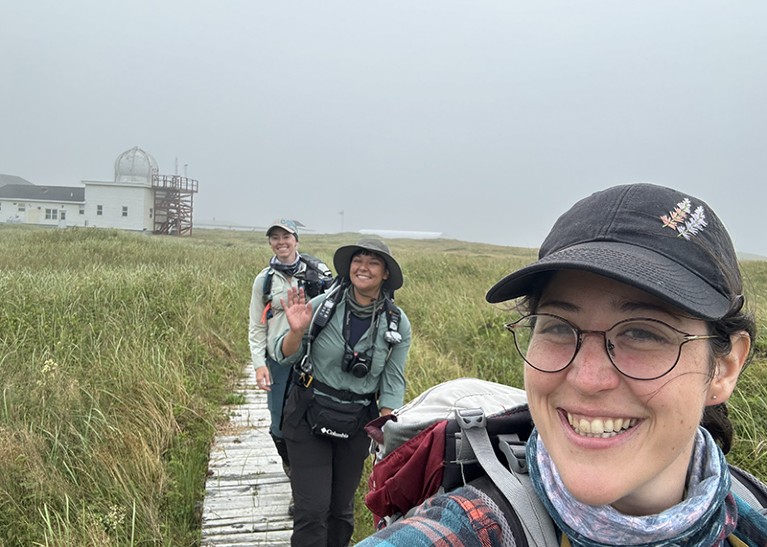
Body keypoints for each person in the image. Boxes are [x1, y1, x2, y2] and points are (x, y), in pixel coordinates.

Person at [356, 183, 767, 546]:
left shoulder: (754, 508)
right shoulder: (473, 529)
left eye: (642, 333)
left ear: (724, 367)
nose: (588, 378)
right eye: (557, 327)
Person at [275, 238, 412, 547]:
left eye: (373, 262)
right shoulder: (321, 305)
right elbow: (284, 355)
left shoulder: (397, 323)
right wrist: (296, 332)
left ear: (386, 273)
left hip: (356, 423)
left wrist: (388, 437)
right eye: (358, 260)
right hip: (309, 413)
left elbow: (393, 381)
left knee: (340, 512)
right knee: (312, 511)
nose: (363, 267)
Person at [248, 218, 332, 515]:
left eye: (286, 236)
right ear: (270, 242)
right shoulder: (265, 281)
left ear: (297, 240)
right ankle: (293, 476)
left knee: (311, 422)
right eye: (274, 237)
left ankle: (305, 491)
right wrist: (259, 364)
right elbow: (256, 327)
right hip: (278, 363)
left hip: (311, 361)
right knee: (279, 425)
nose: (280, 242)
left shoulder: (318, 274)